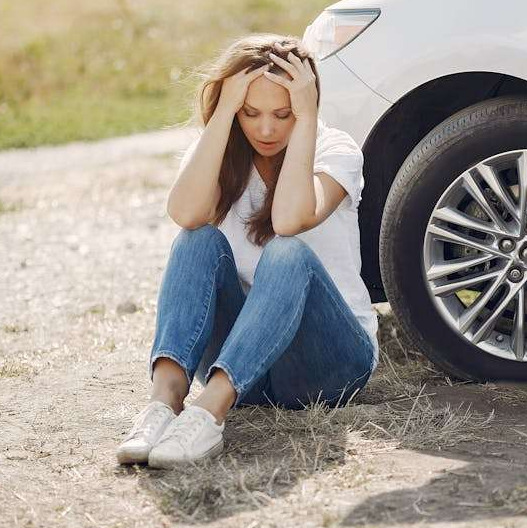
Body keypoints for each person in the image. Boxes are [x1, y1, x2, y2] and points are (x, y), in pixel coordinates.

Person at [116, 34, 379, 469]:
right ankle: (162, 406)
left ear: (305, 105)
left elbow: (290, 220)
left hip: (328, 364)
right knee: (195, 238)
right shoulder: (219, 151)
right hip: (246, 368)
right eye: (251, 113)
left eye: (283, 113)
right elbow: (184, 212)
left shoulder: (336, 150)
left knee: (287, 252)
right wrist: (222, 112)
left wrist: (308, 118)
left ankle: (208, 413)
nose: (266, 129)